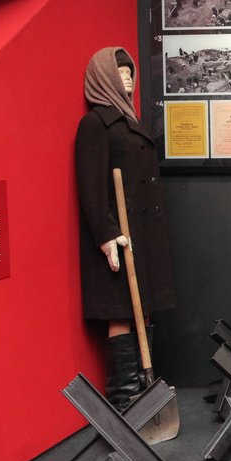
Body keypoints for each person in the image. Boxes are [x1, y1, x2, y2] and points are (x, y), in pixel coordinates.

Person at [75, 47, 176, 410]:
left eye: (130, 71)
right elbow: (90, 186)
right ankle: (125, 398)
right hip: (119, 237)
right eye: (120, 72)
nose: (128, 77)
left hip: (142, 236)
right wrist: (106, 235)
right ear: (103, 78)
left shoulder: (133, 122)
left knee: (142, 308)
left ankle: (145, 390)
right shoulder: (96, 125)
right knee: (120, 310)